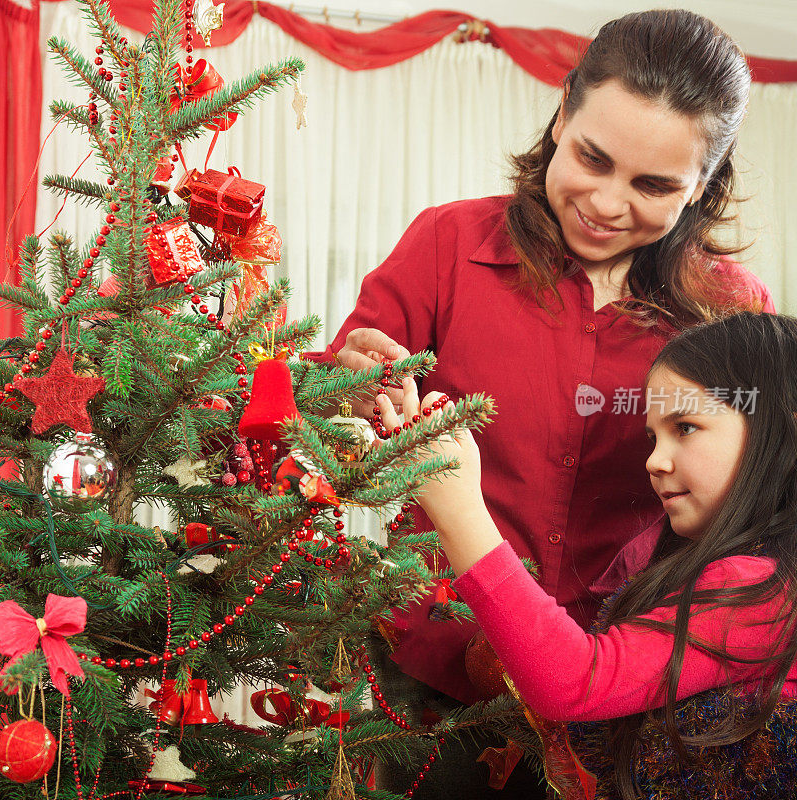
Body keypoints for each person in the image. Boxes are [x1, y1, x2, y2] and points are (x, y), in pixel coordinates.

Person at [305, 9, 775, 797]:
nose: (606, 201)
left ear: (704, 185)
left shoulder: (733, 312)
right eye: (593, 157)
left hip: (630, 687)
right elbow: (324, 408)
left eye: (654, 184)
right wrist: (350, 379)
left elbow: (753, 504)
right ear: (562, 113)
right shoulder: (448, 245)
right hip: (434, 673)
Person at [376, 311, 797, 799]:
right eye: (653, 437)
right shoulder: (716, 569)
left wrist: (459, 510)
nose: (654, 461)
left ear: (780, 428)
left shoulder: (760, 588)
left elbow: (576, 680)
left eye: (685, 426)